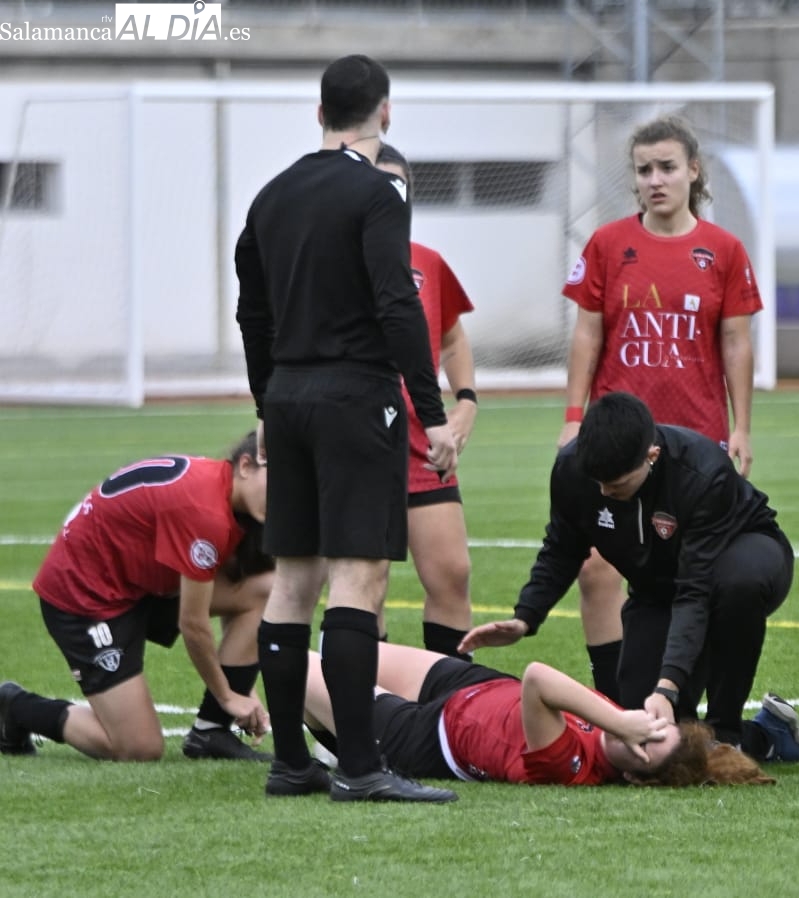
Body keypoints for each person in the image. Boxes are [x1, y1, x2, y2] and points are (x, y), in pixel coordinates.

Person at [234, 54, 457, 803]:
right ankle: (360, 766)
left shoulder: (271, 195)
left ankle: (291, 761)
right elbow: (397, 304)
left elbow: (252, 314)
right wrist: (432, 414)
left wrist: (266, 404)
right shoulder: (379, 191)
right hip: (356, 397)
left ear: (319, 113)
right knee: (359, 576)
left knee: (294, 579)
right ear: (384, 112)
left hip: (288, 398)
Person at [459, 392, 799, 764]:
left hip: (741, 558)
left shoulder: (703, 472)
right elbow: (562, 547)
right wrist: (525, 617)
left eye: (617, 484)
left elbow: (695, 591)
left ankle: (727, 733)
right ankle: (768, 733)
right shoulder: (572, 469)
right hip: (657, 587)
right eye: (598, 482)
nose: (604, 493)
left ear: (652, 456)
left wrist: (668, 685)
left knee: (736, 585)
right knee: (648, 736)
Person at [552, 115, 763, 702]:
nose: (655, 179)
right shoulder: (607, 244)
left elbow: (736, 341)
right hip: (616, 442)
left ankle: (691, 700)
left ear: (693, 171)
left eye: (667, 167)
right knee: (596, 567)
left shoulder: (723, 250)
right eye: (644, 169)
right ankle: (611, 701)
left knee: (696, 574)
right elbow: (587, 334)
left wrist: (742, 427)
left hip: (693, 441)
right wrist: (573, 418)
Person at [0, 433, 273, 762]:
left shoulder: (223, 492)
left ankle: (211, 732)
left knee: (266, 588)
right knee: (138, 748)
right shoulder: (205, 511)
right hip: (85, 598)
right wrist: (228, 695)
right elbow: (193, 623)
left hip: (141, 584)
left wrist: (241, 683)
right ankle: (14, 707)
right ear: (245, 465)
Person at [302, 642, 776, 787]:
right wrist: (658, 703)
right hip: (473, 687)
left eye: (647, 747)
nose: (641, 732)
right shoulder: (625, 722)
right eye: (657, 730)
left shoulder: (570, 767)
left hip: (431, 737)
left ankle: (332, 738)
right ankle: (330, 732)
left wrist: (620, 721)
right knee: (344, 641)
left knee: (303, 666)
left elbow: (537, 678)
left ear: (635, 777)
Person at [374, 143, 479, 659]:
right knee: (365, 585)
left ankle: (451, 696)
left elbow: (453, 338)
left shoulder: (427, 263)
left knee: (452, 573)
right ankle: (365, 698)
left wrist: (467, 401)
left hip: (424, 440)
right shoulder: (326, 261)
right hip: (358, 439)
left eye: (398, 186)